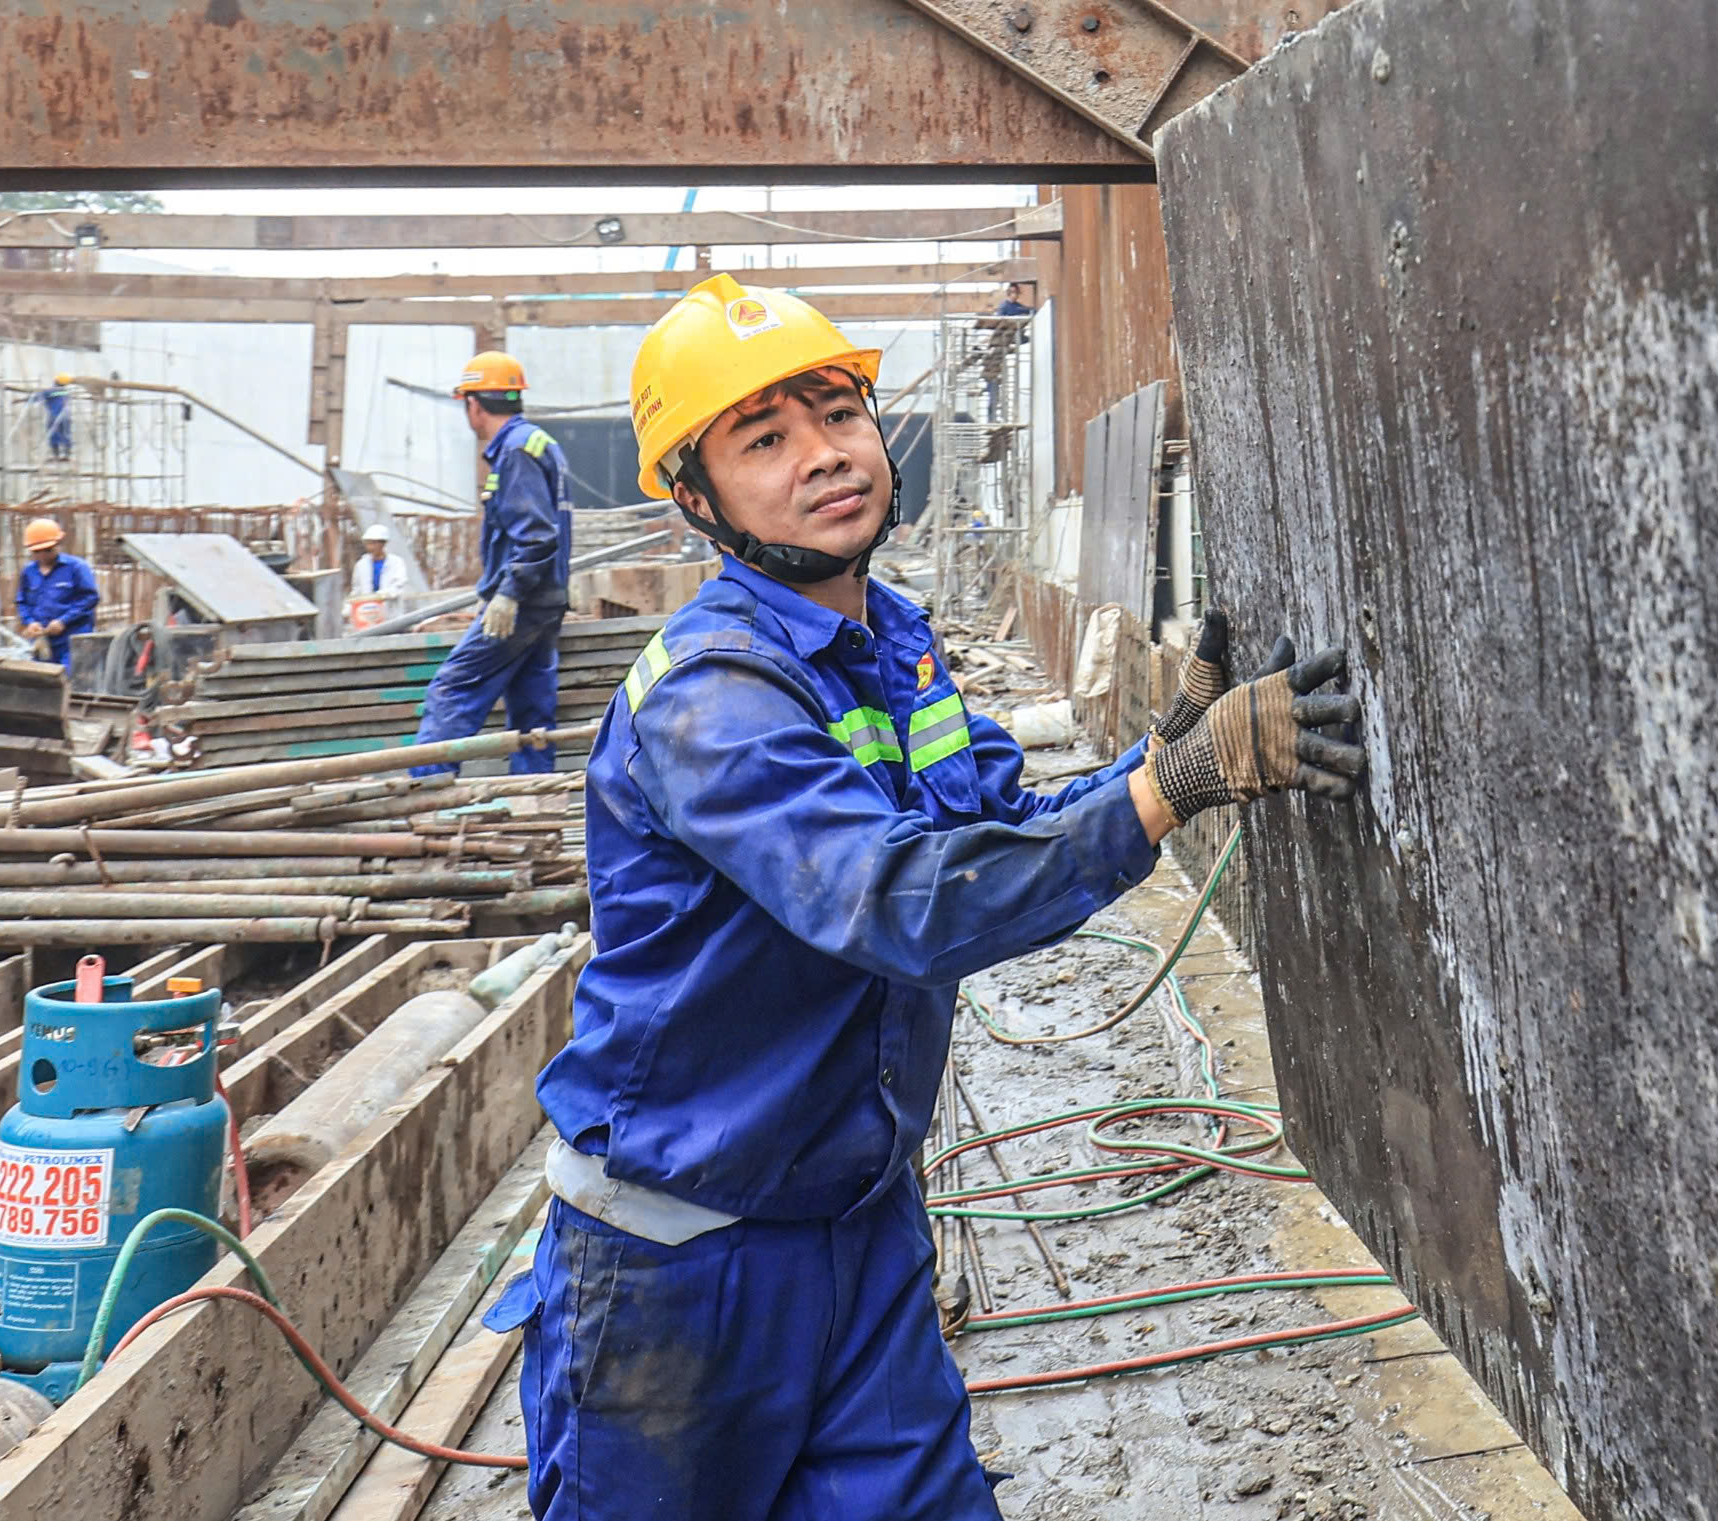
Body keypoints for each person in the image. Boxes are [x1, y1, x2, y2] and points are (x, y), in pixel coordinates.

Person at [480, 273, 1366, 1519]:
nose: (826, 456)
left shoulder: (889, 641)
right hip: (682, 1264)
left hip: (859, 1229)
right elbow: (905, 900)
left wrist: (1154, 758)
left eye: (836, 413)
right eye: (764, 439)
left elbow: (991, 829)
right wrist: (1174, 788)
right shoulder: (711, 700)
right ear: (694, 499)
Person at [405, 352, 572, 777]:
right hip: (546, 599)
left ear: (473, 404)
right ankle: (535, 804)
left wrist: (507, 595)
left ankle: (429, 797)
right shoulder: (537, 443)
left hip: (522, 603)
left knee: (453, 689)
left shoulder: (516, 453)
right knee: (531, 710)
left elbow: (536, 537)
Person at [15, 517, 96, 665]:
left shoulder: (77, 568)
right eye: (37, 551)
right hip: (43, 642)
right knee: (44, 683)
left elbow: (89, 598)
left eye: (48, 550)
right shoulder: (29, 572)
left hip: (72, 641)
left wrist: (63, 621)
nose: (43, 555)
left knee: (71, 680)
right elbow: (22, 602)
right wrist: (30, 622)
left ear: (58, 545)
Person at [352, 523, 412, 598]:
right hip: (366, 607)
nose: (370, 547)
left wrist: (381, 595)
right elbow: (357, 590)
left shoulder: (396, 563)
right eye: (368, 543)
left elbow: (399, 587)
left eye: (373, 543)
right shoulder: (361, 565)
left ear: (383, 544)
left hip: (390, 607)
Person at [29, 374, 75, 462]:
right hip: (66, 417)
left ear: (56, 382)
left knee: (53, 436)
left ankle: (56, 456)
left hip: (55, 416)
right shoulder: (66, 392)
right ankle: (67, 455)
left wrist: (20, 400)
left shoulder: (50, 391)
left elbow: (36, 397)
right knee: (66, 435)